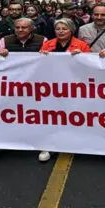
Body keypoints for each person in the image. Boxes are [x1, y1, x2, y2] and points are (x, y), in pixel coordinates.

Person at [38, 19, 91, 162]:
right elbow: (38, 66)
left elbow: (90, 67)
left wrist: (83, 57)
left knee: (73, 114)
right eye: (58, 29)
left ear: (71, 30)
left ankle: (72, 141)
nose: (60, 31)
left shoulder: (82, 45)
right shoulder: (48, 44)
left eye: (64, 29)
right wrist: (41, 57)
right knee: (52, 115)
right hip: (51, 86)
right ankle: (49, 145)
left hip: (74, 87)